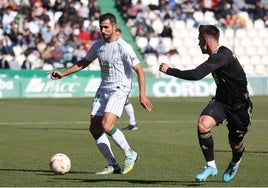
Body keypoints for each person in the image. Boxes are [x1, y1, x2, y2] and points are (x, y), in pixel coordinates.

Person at [49, 13, 153, 175]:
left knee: (107, 125)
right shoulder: (98, 45)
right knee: (95, 128)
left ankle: (130, 153)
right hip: (103, 89)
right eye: (101, 27)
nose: (103, 30)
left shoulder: (123, 46)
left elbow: (139, 70)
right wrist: (63, 73)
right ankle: (113, 164)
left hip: (119, 88)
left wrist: (142, 95)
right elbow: (84, 62)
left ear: (114, 27)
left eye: (106, 27)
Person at [159, 25, 253, 182]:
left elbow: (196, 75)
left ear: (205, 40)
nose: (197, 44)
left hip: (240, 107)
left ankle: (235, 161)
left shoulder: (222, 56)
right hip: (222, 103)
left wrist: (170, 70)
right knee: (203, 124)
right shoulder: (217, 56)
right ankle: (211, 165)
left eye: (198, 40)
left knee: (235, 144)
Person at [115, 27, 138, 131]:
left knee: (125, 100)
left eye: (118, 35)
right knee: (124, 100)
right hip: (116, 79)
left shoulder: (125, 47)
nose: (117, 37)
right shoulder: (113, 46)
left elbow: (134, 64)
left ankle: (133, 123)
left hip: (124, 79)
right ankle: (132, 123)